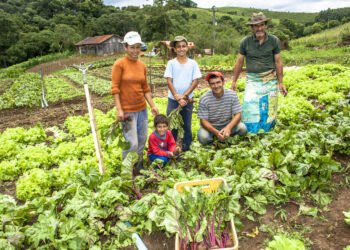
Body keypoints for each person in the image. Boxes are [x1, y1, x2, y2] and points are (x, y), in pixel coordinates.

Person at [232, 12, 288, 133]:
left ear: (265, 26)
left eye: (261, 25)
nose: (259, 28)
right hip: (253, 80)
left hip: (270, 79)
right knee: (249, 104)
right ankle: (251, 132)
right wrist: (234, 81)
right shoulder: (245, 42)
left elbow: (278, 62)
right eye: (256, 26)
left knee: (269, 106)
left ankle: (267, 132)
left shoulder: (274, 40)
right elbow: (239, 62)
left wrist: (281, 82)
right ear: (252, 28)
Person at [111, 31, 159, 170]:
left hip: (142, 110)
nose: (135, 51)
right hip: (127, 112)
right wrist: (119, 110)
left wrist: (152, 106)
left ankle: (138, 168)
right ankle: (127, 170)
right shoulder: (119, 64)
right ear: (125, 47)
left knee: (142, 140)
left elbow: (145, 88)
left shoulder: (142, 66)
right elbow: (115, 89)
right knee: (131, 143)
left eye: (137, 47)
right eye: (132, 47)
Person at [164, 35, 202, 151]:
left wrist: (184, 96)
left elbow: (195, 81)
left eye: (183, 46)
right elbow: (169, 81)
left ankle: (187, 147)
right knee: (172, 125)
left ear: (187, 48)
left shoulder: (193, 63)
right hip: (173, 99)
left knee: (186, 125)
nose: (181, 49)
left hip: (187, 100)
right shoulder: (171, 63)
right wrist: (176, 96)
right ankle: (171, 148)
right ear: (175, 49)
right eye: (178, 47)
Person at [197, 72, 247, 145]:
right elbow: (203, 121)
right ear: (209, 85)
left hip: (227, 123)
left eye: (218, 82)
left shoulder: (232, 95)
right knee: (203, 137)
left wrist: (228, 128)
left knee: (243, 128)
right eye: (212, 83)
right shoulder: (204, 98)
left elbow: (238, 115)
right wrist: (216, 132)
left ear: (223, 82)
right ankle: (214, 142)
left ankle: (227, 136)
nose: (216, 86)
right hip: (211, 127)